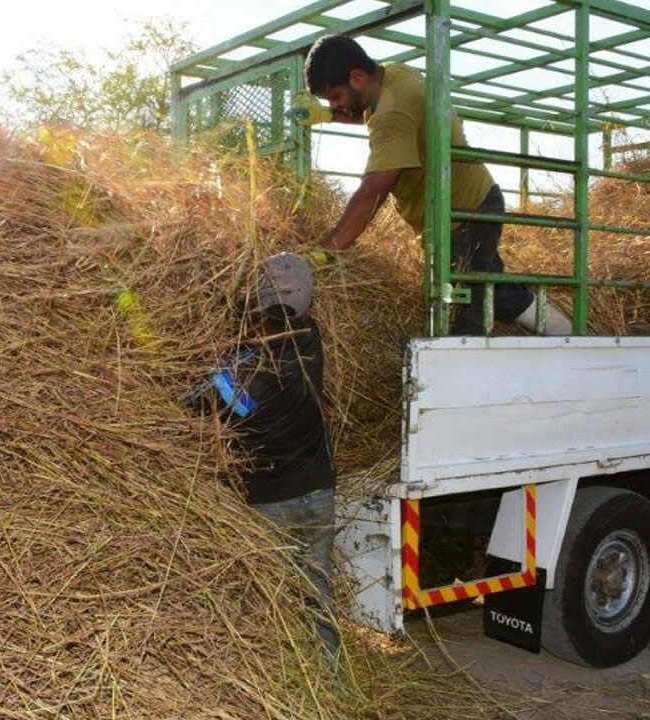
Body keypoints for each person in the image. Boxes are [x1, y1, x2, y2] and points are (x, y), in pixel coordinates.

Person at [300, 34, 572, 336]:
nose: (336, 104)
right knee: (487, 286)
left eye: (335, 97)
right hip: (465, 208)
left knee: (468, 311)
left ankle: (562, 337)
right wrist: (328, 116)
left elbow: (372, 192)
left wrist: (326, 251)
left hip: (465, 214)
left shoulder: (392, 111)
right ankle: (566, 333)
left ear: (357, 77)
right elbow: (376, 112)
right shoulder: (395, 76)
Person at [185, 252, 340, 661]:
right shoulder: (312, 338)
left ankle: (289, 680)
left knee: (274, 602)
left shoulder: (248, 361)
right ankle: (331, 680)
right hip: (319, 492)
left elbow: (214, 401)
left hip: (270, 502)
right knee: (316, 597)